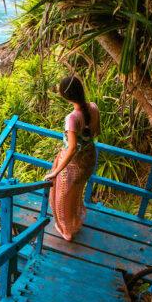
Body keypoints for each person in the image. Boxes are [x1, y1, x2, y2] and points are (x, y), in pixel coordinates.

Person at [44, 76, 99, 241]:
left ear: (65, 96)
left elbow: (72, 148)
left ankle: (66, 231)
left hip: (73, 164)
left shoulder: (72, 118)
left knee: (62, 198)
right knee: (75, 193)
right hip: (89, 158)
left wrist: (56, 172)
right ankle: (74, 219)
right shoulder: (93, 107)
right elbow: (96, 132)